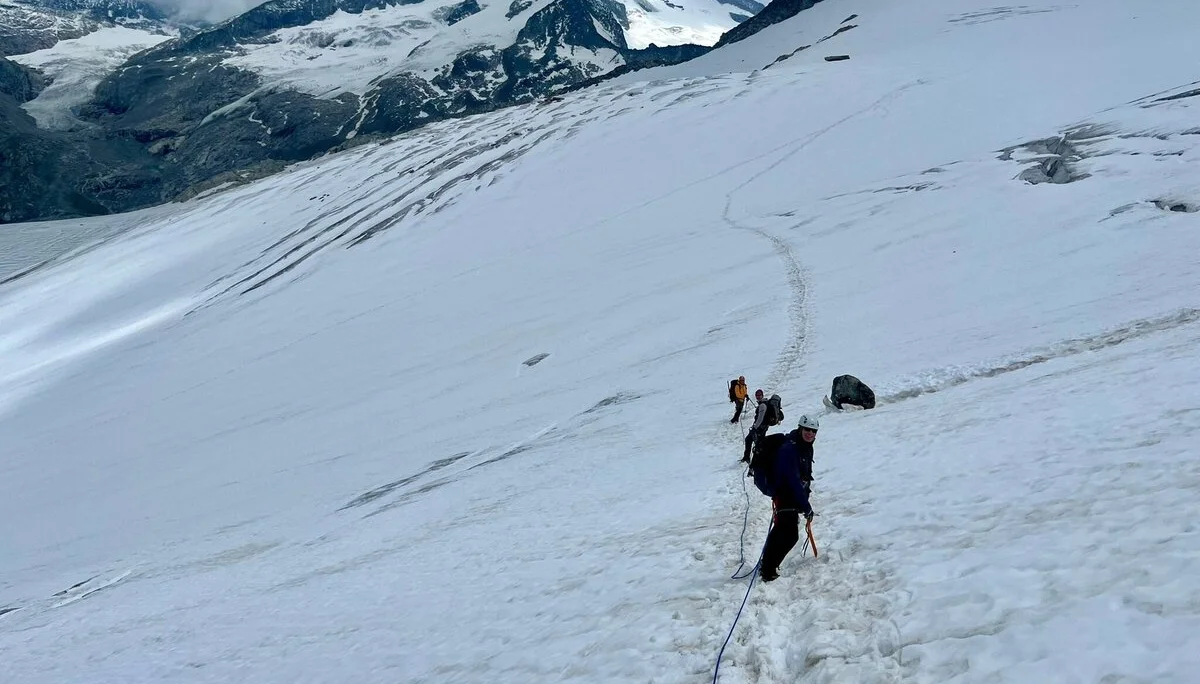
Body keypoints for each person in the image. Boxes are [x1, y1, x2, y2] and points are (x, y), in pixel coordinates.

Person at [759, 415, 819, 582]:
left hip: (789, 495)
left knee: (781, 531)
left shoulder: (803, 447)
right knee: (789, 535)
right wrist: (805, 506)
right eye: (807, 429)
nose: (810, 433)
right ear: (800, 428)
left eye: (813, 431)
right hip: (785, 494)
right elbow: (792, 479)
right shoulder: (790, 449)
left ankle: (767, 565)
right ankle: (768, 569)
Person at [742, 391, 783, 462]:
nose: (758, 397)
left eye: (759, 395)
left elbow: (760, 418)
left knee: (752, 441)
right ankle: (753, 458)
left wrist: (755, 427)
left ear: (762, 395)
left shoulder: (762, 405)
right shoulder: (765, 403)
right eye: (757, 395)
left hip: (759, 428)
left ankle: (751, 459)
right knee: (757, 442)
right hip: (764, 427)